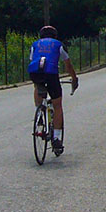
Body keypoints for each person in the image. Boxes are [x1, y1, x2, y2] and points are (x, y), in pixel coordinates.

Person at [28, 25, 78, 156]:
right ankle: (56, 138)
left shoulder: (35, 44)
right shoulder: (58, 45)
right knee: (57, 106)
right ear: (55, 36)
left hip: (35, 73)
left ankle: (39, 111)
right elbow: (68, 65)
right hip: (51, 74)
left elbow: (32, 60)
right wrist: (74, 79)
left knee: (38, 86)